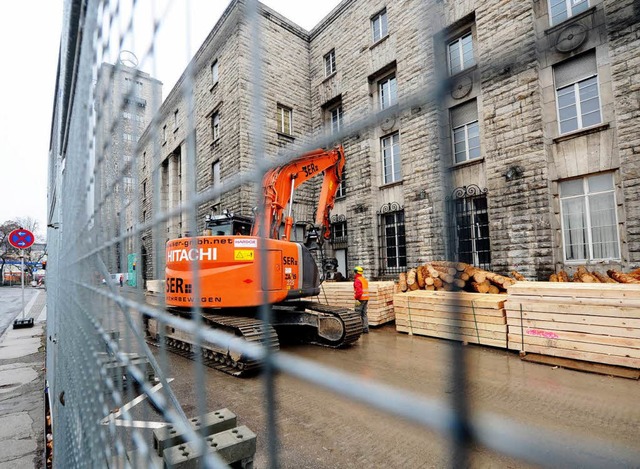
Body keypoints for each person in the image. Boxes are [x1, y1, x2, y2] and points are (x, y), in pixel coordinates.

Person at [353, 266, 370, 333]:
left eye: (354, 272)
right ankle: (365, 328)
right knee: (364, 314)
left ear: (356, 272)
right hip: (366, 298)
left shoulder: (357, 280)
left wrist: (356, 298)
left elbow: (359, 292)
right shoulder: (364, 279)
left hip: (360, 299)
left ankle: (357, 329)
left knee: (357, 314)